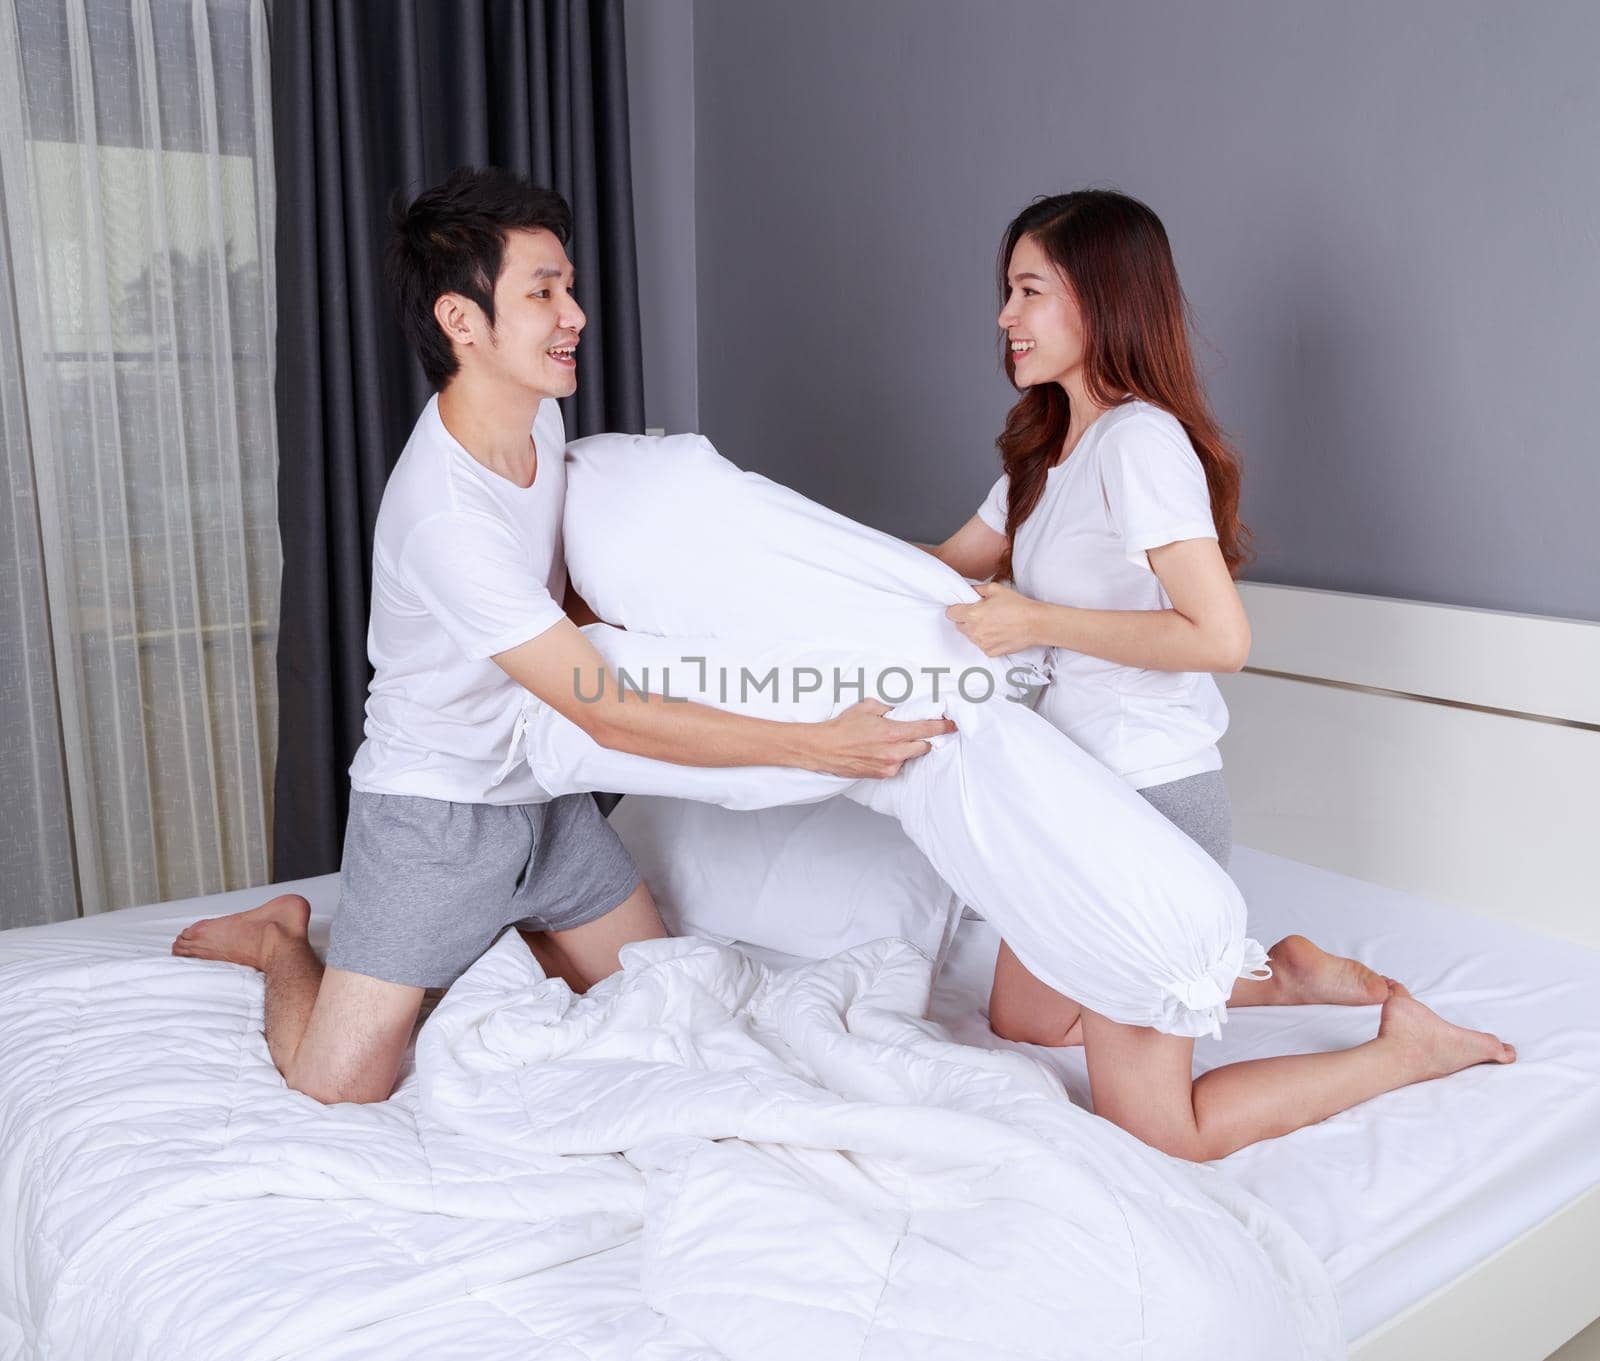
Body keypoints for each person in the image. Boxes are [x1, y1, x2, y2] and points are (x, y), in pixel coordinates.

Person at [172, 166, 951, 1105]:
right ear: (463, 322)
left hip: (545, 796)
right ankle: (280, 939)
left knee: (673, 998)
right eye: (542, 293)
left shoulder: (539, 413)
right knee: (335, 1086)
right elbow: (611, 715)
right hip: (438, 813)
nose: (574, 313)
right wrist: (819, 747)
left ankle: (500, 929)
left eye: (568, 286)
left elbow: (574, 604)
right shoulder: (442, 517)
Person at [930, 190, 1513, 1158]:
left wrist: (1035, 620)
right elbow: (942, 563)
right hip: (1072, 799)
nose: (1004, 316)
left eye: (1027, 290)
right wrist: (792, 558)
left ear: (1099, 300)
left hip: (1149, 803)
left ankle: (1405, 1048)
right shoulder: (1042, 452)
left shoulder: (1141, 443)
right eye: (1005, 291)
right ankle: (1274, 975)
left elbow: (1218, 634)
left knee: (1165, 1129)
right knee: (1025, 1021)